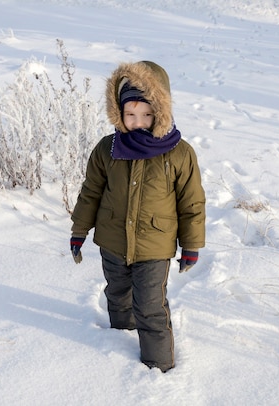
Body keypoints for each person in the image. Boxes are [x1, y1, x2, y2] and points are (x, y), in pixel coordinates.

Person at [69, 61, 206, 373]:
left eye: (146, 114)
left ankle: (159, 368)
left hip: (154, 248)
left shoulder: (179, 153)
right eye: (130, 115)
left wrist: (192, 245)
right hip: (112, 241)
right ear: (119, 113)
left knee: (150, 306)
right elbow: (91, 192)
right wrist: (79, 231)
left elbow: (192, 203)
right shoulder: (108, 148)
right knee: (117, 295)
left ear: (161, 111)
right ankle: (118, 341)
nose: (138, 122)